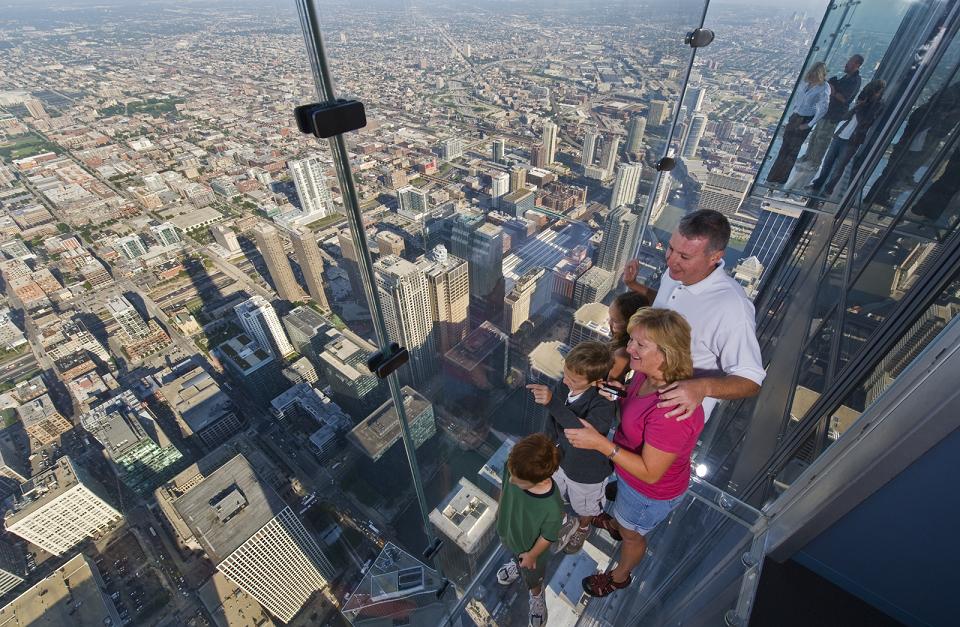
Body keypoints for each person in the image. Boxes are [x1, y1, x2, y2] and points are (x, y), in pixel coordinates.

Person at [563, 308, 705, 597]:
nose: (629, 348)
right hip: (629, 474)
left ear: (666, 353)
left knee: (633, 535)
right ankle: (616, 522)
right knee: (623, 521)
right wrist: (620, 391)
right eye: (631, 340)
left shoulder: (672, 412)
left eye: (640, 345)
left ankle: (619, 576)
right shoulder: (646, 375)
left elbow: (651, 473)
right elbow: (636, 405)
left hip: (647, 493)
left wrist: (600, 444)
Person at [623, 210, 765, 421]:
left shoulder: (732, 308)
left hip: (673, 415)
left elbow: (750, 380)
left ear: (715, 257)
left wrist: (701, 387)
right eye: (671, 248)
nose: (671, 260)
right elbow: (665, 307)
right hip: (643, 387)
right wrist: (634, 285)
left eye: (684, 256)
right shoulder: (675, 273)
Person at [527, 342, 617, 555]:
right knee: (552, 493)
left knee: (585, 507)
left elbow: (582, 434)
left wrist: (552, 403)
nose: (566, 381)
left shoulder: (603, 404)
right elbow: (553, 420)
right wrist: (545, 445)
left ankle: (583, 526)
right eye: (566, 374)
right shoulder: (564, 385)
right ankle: (564, 519)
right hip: (560, 459)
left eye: (574, 380)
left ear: (596, 381)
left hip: (587, 473)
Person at [495, 433, 564, 627]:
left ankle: (537, 596)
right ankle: (518, 564)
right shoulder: (515, 468)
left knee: (533, 576)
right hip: (510, 532)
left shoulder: (552, 506)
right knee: (518, 557)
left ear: (539, 479)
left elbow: (548, 536)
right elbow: (505, 488)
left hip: (532, 549)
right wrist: (501, 509)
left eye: (517, 480)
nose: (511, 480)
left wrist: (533, 555)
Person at [810, 79, 887, 195]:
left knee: (839, 167)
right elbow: (846, 116)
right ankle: (818, 184)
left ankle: (828, 189)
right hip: (841, 134)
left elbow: (865, 121)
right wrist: (857, 106)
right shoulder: (862, 102)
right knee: (827, 162)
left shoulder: (878, 106)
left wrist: (861, 106)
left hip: (853, 140)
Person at [767, 61, 831, 184]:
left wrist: (809, 124)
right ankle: (772, 177)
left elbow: (824, 108)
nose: (812, 76)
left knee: (793, 151)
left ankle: (780, 180)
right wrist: (793, 114)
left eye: (815, 74)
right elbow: (798, 99)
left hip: (805, 119)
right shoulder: (805, 82)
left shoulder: (824, 87)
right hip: (795, 117)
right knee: (784, 148)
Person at [800, 55, 864, 169]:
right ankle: (808, 157)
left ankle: (814, 162)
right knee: (815, 135)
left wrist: (832, 89)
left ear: (856, 65)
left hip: (834, 114)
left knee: (822, 138)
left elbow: (844, 99)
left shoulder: (855, 81)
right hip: (827, 111)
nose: (847, 63)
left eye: (850, 61)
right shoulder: (847, 78)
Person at [608, 291, 651, 381]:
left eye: (615, 321)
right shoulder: (622, 339)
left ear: (630, 323)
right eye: (610, 317)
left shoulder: (623, 353)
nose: (609, 322)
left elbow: (609, 385)